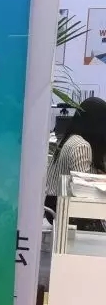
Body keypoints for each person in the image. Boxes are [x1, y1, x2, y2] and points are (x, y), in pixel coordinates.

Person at [45, 96, 106, 226]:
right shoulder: (82, 146)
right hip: (63, 210)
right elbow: (84, 189)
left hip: (54, 205)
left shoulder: (71, 138)